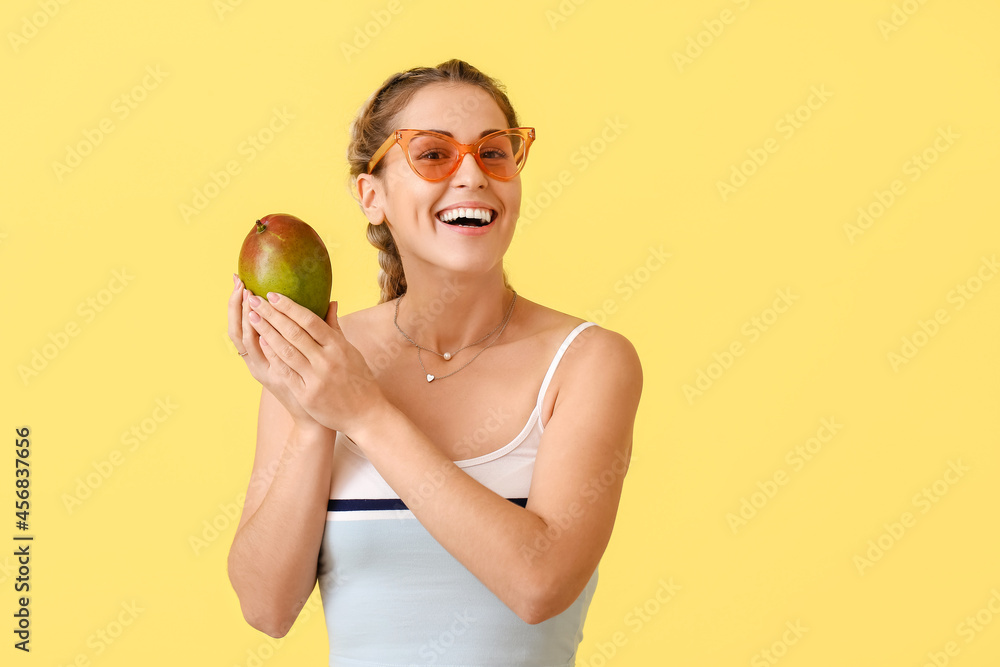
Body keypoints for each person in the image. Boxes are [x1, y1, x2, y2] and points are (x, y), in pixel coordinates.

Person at [226, 58, 643, 666]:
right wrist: (316, 417)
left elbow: (539, 585)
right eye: (432, 154)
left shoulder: (588, 362)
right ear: (373, 197)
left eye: (495, 152)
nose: (472, 174)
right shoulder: (321, 364)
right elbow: (266, 608)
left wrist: (365, 414)